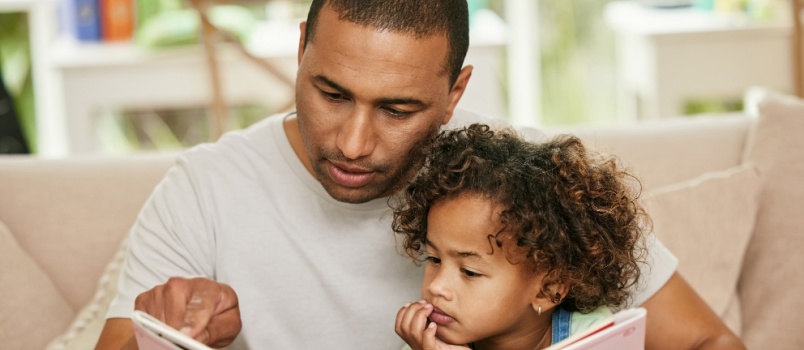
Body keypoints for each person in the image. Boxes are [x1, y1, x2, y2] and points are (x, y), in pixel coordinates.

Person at [96, 0, 744, 349]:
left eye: (397, 109)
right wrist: (165, 336)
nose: (353, 142)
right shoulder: (206, 188)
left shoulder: (517, 187)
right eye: (331, 92)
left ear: (455, 91)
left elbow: (709, 339)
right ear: (301, 50)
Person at [392, 124, 646, 349]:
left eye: (469, 271)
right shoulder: (426, 343)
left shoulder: (597, 338)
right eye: (434, 259)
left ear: (549, 290)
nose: (436, 287)